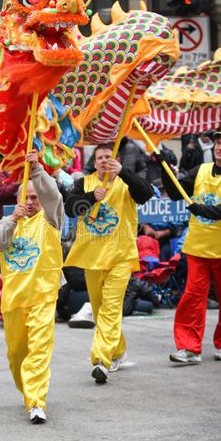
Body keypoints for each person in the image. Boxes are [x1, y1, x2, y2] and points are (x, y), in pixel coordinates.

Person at [64, 143, 154, 384]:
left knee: (111, 308)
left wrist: (123, 172)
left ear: (116, 160)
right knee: (100, 308)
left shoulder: (127, 182)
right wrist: (90, 198)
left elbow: (147, 193)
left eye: (109, 157)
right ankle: (118, 350)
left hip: (120, 256)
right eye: (100, 157)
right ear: (94, 162)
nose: (104, 160)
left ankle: (101, 360)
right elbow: (71, 208)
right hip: (92, 258)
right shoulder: (84, 183)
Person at [160, 130, 221, 364]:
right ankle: (190, 348)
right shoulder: (200, 170)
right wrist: (164, 168)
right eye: (218, 143)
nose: (220, 147)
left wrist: (203, 210)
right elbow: (174, 192)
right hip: (199, 246)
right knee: (192, 295)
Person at [0, 150, 64, 424]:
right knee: (16, 354)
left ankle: (36, 401)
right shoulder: (8, 223)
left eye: (35, 198)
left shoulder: (51, 218)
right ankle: (27, 391)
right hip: (14, 300)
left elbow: (53, 195)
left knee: (39, 351)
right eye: (26, 197)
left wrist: (36, 169)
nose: (31, 202)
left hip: (43, 297)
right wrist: (11, 220)